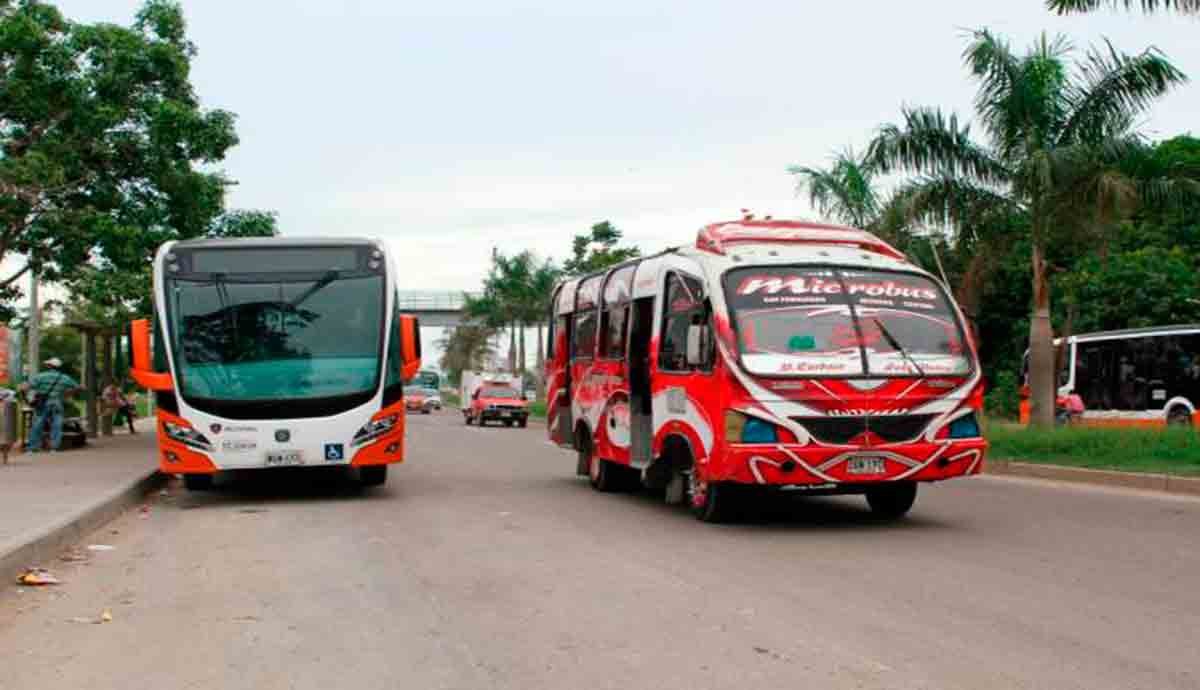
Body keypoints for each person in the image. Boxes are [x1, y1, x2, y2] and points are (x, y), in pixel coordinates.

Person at [28, 358, 81, 453]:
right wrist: (66, 393)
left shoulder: (41, 376)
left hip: (43, 403)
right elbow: (78, 387)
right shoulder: (65, 377)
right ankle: (54, 447)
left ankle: (33, 447)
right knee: (57, 425)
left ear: (49, 366)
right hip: (57, 402)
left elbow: (29, 386)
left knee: (38, 424)